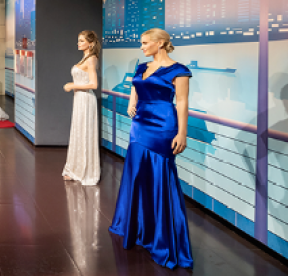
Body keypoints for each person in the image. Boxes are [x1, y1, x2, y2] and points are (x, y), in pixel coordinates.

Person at [109, 28, 194, 269]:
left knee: (160, 174)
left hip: (163, 125)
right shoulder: (142, 67)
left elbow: (182, 102)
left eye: (145, 43)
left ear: (160, 43)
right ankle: (138, 227)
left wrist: (182, 133)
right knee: (137, 173)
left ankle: (162, 236)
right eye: (142, 43)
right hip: (140, 125)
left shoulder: (179, 70)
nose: (142, 47)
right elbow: (135, 87)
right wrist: (132, 102)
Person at [61, 30, 100, 185]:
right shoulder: (84, 58)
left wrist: (72, 85)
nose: (78, 43)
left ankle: (85, 171)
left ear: (90, 43)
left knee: (84, 132)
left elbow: (94, 84)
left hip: (85, 99)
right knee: (78, 132)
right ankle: (75, 169)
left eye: (82, 40)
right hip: (79, 99)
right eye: (78, 40)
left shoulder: (91, 59)